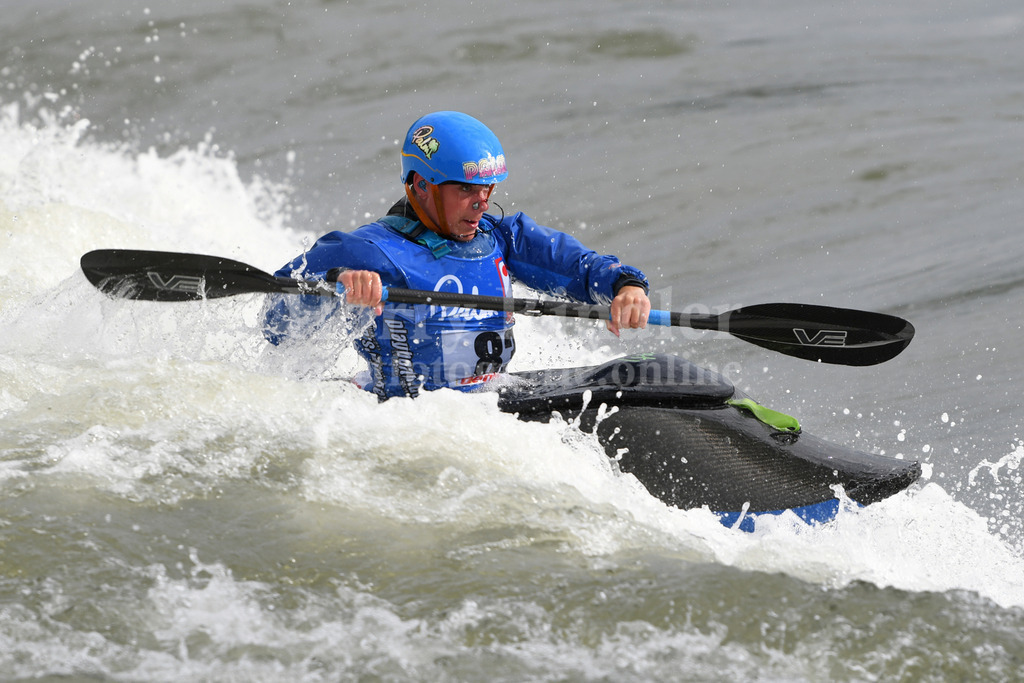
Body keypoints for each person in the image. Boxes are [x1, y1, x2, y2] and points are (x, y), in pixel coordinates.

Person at [264, 111, 651, 399]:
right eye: (466, 190)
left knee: (644, 375)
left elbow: (577, 267)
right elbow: (275, 322)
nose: (481, 204)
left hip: (488, 398)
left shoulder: (502, 237)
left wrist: (626, 285)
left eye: (488, 190)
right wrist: (336, 287)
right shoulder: (365, 251)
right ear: (421, 185)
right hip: (408, 416)